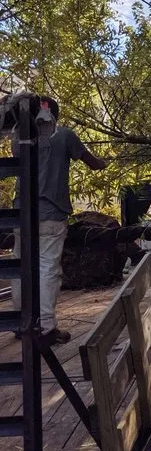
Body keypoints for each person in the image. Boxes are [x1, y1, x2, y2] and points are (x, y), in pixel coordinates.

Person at [11, 97, 109, 346]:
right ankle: (45, 327)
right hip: (51, 216)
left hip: (21, 213)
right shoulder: (64, 135)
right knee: (47, 270)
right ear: (54, 114)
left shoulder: (17, 139)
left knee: (21, 266)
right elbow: (93, 163)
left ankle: (19, 324)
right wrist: (103, 163)